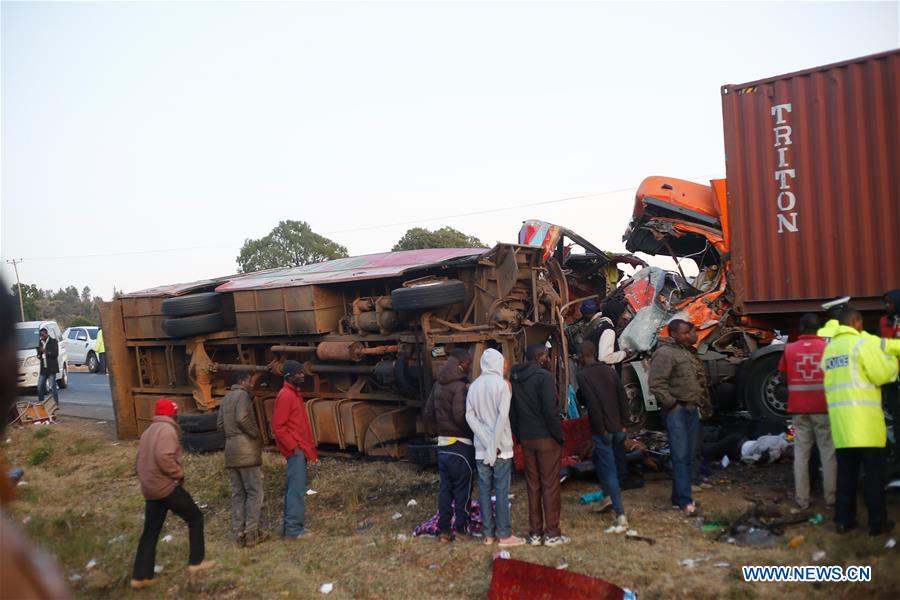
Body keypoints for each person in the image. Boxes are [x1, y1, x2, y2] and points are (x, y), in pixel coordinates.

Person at [0, 283, 70, 599]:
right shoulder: (12, 562)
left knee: (49, 388)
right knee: (43, 389)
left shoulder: (52, 343)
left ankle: (53, 400)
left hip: (51, 368)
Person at [823, 308, 899, 536]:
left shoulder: (830, 350)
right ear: (856, 322)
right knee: (873, 478)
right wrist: (894, 365)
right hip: (865, 426)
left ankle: (844, 520)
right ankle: (877, 524)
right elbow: (881, 375)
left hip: (841, 427)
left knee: (846, 476)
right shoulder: (861, 344)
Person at [132, 399, 215, 589]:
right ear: (171, 414)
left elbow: (138, 459)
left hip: (150, 489)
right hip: (166, 487)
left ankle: (140, 576)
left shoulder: (148, 431)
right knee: (195, 518)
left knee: (150, 532)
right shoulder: (168, 430)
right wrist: (178, 473)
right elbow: (164, 456)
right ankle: (196, 562)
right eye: (175, 413)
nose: (177, 416)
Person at [466, 348, 525, 547]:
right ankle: (505, 534)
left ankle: (488, 534)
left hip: (480, 449)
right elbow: (502, 418)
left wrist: (485, 442)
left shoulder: (474, 386)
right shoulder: (501, 385)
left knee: (483, 490)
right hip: (502, 447)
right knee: (501, 490)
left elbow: (469, 416)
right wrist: (494, 445)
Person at [510, 344, 567, 546]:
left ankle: (535, 533)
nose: (548, 359)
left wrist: (519, 434)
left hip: (526, 438)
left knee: (533, 485)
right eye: (546, 356)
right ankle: (553, 533)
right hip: (546, 438)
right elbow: (550, 411)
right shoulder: (544, 378)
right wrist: (559, 435)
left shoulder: (515, 378)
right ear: (540, 357)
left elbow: (513, 411)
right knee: (550, 485)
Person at [649, 319, 707, 515]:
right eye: (684, 333)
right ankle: (685, 501)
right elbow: (656, 384)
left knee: (688, 453)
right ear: (673, 334)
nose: (688, 335)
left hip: (690, 409)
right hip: (677, 410)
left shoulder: (685, 351)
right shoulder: (665, 354)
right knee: (680, 455)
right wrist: (671, 404)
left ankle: (678, 498)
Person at [778, 313, 835, 509]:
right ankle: (831, 498)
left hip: (799, 408)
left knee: (801, 453)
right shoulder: (828, 349)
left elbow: (783, 380)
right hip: (823, 407)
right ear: (819, 329)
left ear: (801, 328)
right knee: (828, 452)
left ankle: (802, 499)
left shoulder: (789, 349)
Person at [575, 341, 629, 529]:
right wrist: (624, 423)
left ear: (582, 356)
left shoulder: (582, 375)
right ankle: (607, 496)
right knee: (599, 459)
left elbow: (593, 404)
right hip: (618, 428)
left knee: (609, 470)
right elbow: (622, 396)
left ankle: (620, 514)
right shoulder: (609, 371)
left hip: (604, 431)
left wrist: (601, 429)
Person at [423, 349, 475, 543]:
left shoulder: (438, 385)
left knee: (445, 489)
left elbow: (428, 412)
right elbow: (460, 416)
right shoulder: (459, 387)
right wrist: (473, 432)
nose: (470, 365)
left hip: (443, 445)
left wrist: (435, 431)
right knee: (463, 489)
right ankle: (461, 530)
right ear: (461, 364)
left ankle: (444, 530)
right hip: (460, 445)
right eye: (469, 362)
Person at [217, 371, 266, 547]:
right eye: (249, 381)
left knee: (238, 493)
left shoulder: (226, 398)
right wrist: (256, 434)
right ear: (242, 381)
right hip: (246, 451)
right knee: (254, 492)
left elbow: (220, 424)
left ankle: (239, 533)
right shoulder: (243, 396)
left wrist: (232, 436)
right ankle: (252, 534)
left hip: (230, 451)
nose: (251, 384)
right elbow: (242, 419)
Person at [272, 360, 318, 540]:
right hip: (296, 451)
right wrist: (294, 447)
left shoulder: (293, 394)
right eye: (298, 373)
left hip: (299, 450)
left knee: (295, 489)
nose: (302, 375)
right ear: (289, 376)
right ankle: (293, 530)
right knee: (296, 490)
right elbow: (278, 427)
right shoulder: (286, 396)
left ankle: (289, 528)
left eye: (302, 372)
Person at [35, 327, 59, 406]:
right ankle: (41, 403)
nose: (41, 337)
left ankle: (55, 402)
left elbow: (55, 354)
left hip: (51, 368)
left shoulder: (53, 341)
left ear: (46, 334)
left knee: (52, 387)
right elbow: (39, 354)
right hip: (43, 368)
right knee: (40, 387)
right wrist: (39, 354)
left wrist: (45, 351)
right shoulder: (40, 342)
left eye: (42, 335)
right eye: (40, 335)